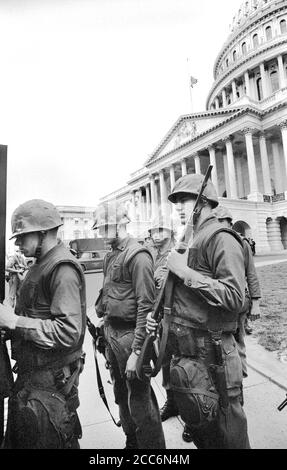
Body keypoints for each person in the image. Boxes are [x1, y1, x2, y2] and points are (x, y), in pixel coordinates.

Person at [146, 174, 250, 449]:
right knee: (205, 436)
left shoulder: (221, 238)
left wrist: (185, 271)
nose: (178, 206)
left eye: (184, 199)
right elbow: (186, 299)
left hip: (215, 356)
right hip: (190, 355)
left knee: (228, 437)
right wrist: (160, 320)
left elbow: (235, 297)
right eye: (176, 201)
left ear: (204, 200)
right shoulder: (191, 239)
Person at [0, 199, 86, 449]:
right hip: (33, 380)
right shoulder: (39, 266)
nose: (18, 243)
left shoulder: (61, 268)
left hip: (50, 383)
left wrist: (13, 321)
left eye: (22, 236)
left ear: (43, 232)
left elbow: (68, 333)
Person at [93, 201, 165, 450]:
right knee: (121, 396)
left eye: (105, 228)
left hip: (131, 336)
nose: (101, 234)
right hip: (113, 334)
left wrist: (137, 352)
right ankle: (132, 443)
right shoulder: (112, 255)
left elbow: (147, 306)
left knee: (141, 402)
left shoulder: (138, 256)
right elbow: (110, 293)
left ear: (121, 223)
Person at [148, 215, 192, 443]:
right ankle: (172, 403)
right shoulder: (154, 257)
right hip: (161, 321)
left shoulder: (179, 254)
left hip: (180, 320)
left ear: (171, 232)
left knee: (184, 369)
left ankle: (191, 418)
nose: (155, 235)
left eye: (160, 231)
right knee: (165, 364)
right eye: (153, 231)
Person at [213, 205, 262, 377]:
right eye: (215, 221)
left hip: (239, 302)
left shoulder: (241, 243)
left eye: (222, 221)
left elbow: (251, 274)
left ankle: (238, 383)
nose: (218, 225)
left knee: (238, 343)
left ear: (230, 223)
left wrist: (255, 304)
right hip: (219, 302)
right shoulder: (213, 243)